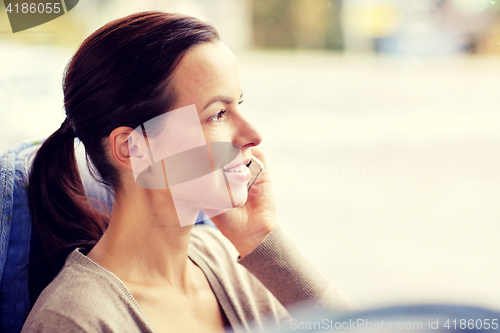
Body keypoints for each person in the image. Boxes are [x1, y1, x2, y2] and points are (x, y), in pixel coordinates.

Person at [22, 11, 358, 333]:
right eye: (217, 114)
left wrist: (258, 237)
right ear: (134, 148)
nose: (253, 135)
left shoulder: (225, 258)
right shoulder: (74, 320)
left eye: (237, 105)